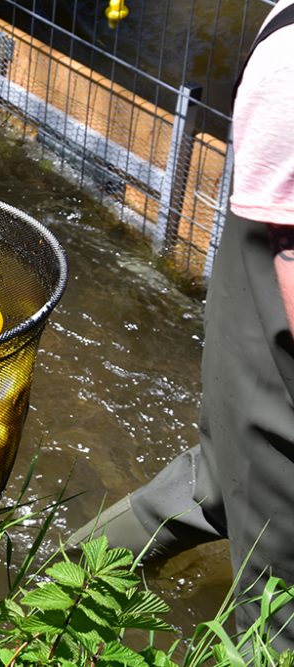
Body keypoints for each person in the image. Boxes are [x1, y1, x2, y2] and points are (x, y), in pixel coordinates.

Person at [69, 0, 294, 647]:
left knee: (223, 476)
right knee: (282, 615)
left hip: (275, 145)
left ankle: (27, 596)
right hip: (284, 180)